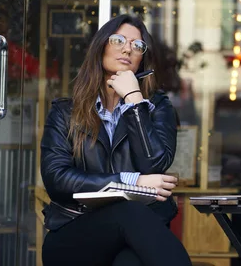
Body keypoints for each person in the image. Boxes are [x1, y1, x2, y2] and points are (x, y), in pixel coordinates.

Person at [40, 14, 192, 266]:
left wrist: (134, 100)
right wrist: (131, 181)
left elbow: (155, 164)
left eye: (137, 45)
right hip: (75, 232)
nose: (127, 48)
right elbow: (57, 178)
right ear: (101, 46)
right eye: (118, 39)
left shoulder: (156, 106)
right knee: (128, 212)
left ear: (143, 59)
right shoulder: (65, 112)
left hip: (132, 236)